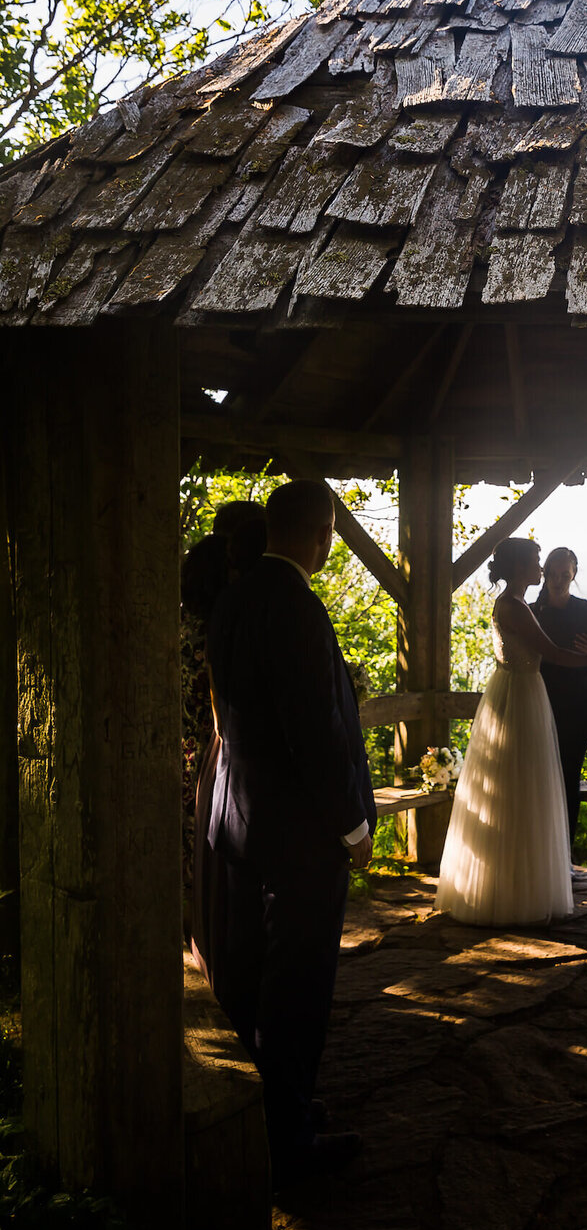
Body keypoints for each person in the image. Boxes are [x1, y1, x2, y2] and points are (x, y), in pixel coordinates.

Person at [205, 479, 375, 1188]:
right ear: (321, 534)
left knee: (252, 979)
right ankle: (291, 1146)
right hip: (301, 832)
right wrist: (352, 822)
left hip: (241, 818)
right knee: (300, 985)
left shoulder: (232, 600)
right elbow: (318, 733)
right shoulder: (299, 609)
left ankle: (274, 1112)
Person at [435, 537, 587, 926]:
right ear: (517, 568)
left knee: (519, 787)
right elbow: (556, 653)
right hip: (521, 695)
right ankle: (512, 888)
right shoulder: (515, 606)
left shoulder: (517, 604)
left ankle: (512, 878)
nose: (541, 568)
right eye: (535, 561)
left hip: (519, 691)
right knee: (520, 786)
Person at [183, 501, 268, 979]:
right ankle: (220, 970)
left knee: (196, 876)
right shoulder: (222, 634)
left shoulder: (181, 630)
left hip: (185, 760)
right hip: (214, 760)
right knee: (216, 875)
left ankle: (207, 961)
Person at [532, 546, 587, 847]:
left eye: (566, 574)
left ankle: (564, 851)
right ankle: (540, 848)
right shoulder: (533, 613)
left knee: (569, 775)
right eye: (554, 574)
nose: (559, 580)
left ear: (574, 575)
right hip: (541, 701)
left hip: (580, 703)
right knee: (539, 777)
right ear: (544, 574)